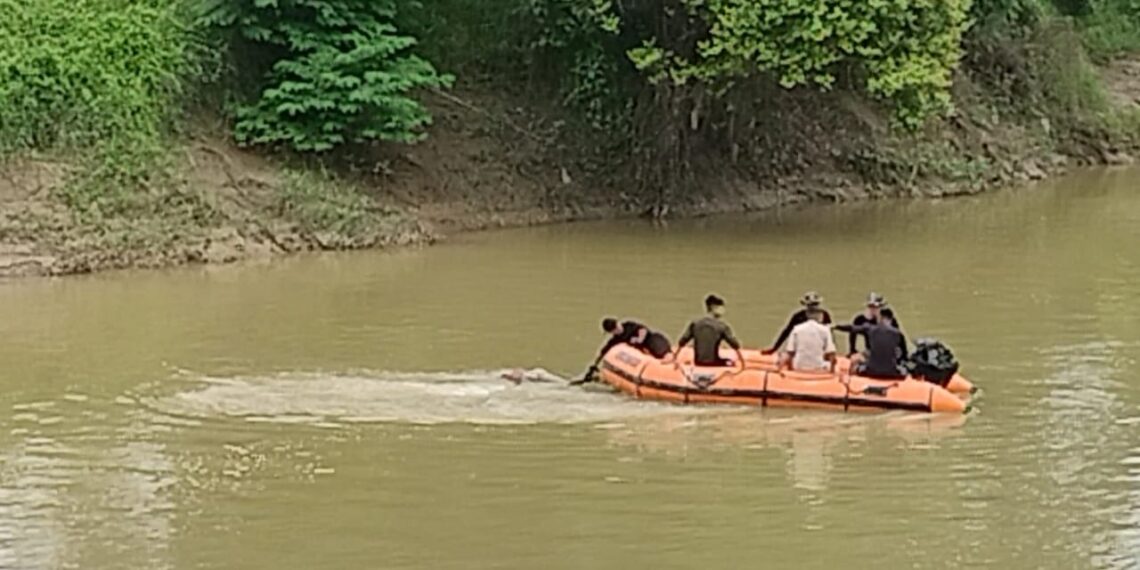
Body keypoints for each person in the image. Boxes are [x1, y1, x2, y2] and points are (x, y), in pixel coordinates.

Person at [674, 294, 745, 367]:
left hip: (698, 363)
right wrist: (743, 364)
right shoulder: (722, 326)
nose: (723, 311)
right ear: (714, 308)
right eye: (721, 308)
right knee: (729, 362)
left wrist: (674, 357)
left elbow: (682, 342)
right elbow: (735, 345)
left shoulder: (695, 323)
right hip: (713, 363)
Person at [835, 309, 907, 379]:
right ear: (891, 320)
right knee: (903, 369)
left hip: (871, 371)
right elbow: (902, 353)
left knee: (856, 359)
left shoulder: (870, 328)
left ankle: (851, 379)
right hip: (891, 372)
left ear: (879, 318)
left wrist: (836, 326)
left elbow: (852, 328)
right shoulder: (897, 333)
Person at [762, 291, 833, 355]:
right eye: (811, 305)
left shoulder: (825, 315)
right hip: (801, 347)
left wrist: (829, 352)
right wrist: (774, 349)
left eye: (815, 304)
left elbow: (830, 335)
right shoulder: (799, 316)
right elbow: (787, 331)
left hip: (819, 348)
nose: (813, 307)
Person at [780, 304, 837, 372]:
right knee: (837, 367)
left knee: (782, 355)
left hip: (798, 366)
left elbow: (789, 353)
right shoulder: (825, 330)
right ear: (819, 316)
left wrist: (790, 369)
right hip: (818, 367)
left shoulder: (796, 329)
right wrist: (832, 371)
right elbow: (832, 355)